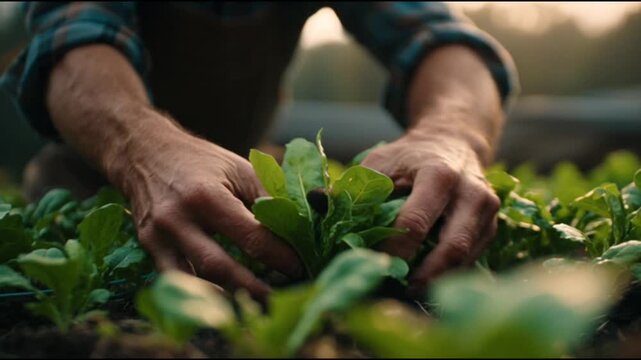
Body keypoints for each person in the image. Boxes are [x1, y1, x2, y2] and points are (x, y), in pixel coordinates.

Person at [1, 2, 518, 301]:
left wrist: (452, 132)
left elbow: (440, 39)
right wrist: (143, 148)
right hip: (95, 186)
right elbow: (72, 39)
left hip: (250, 194)